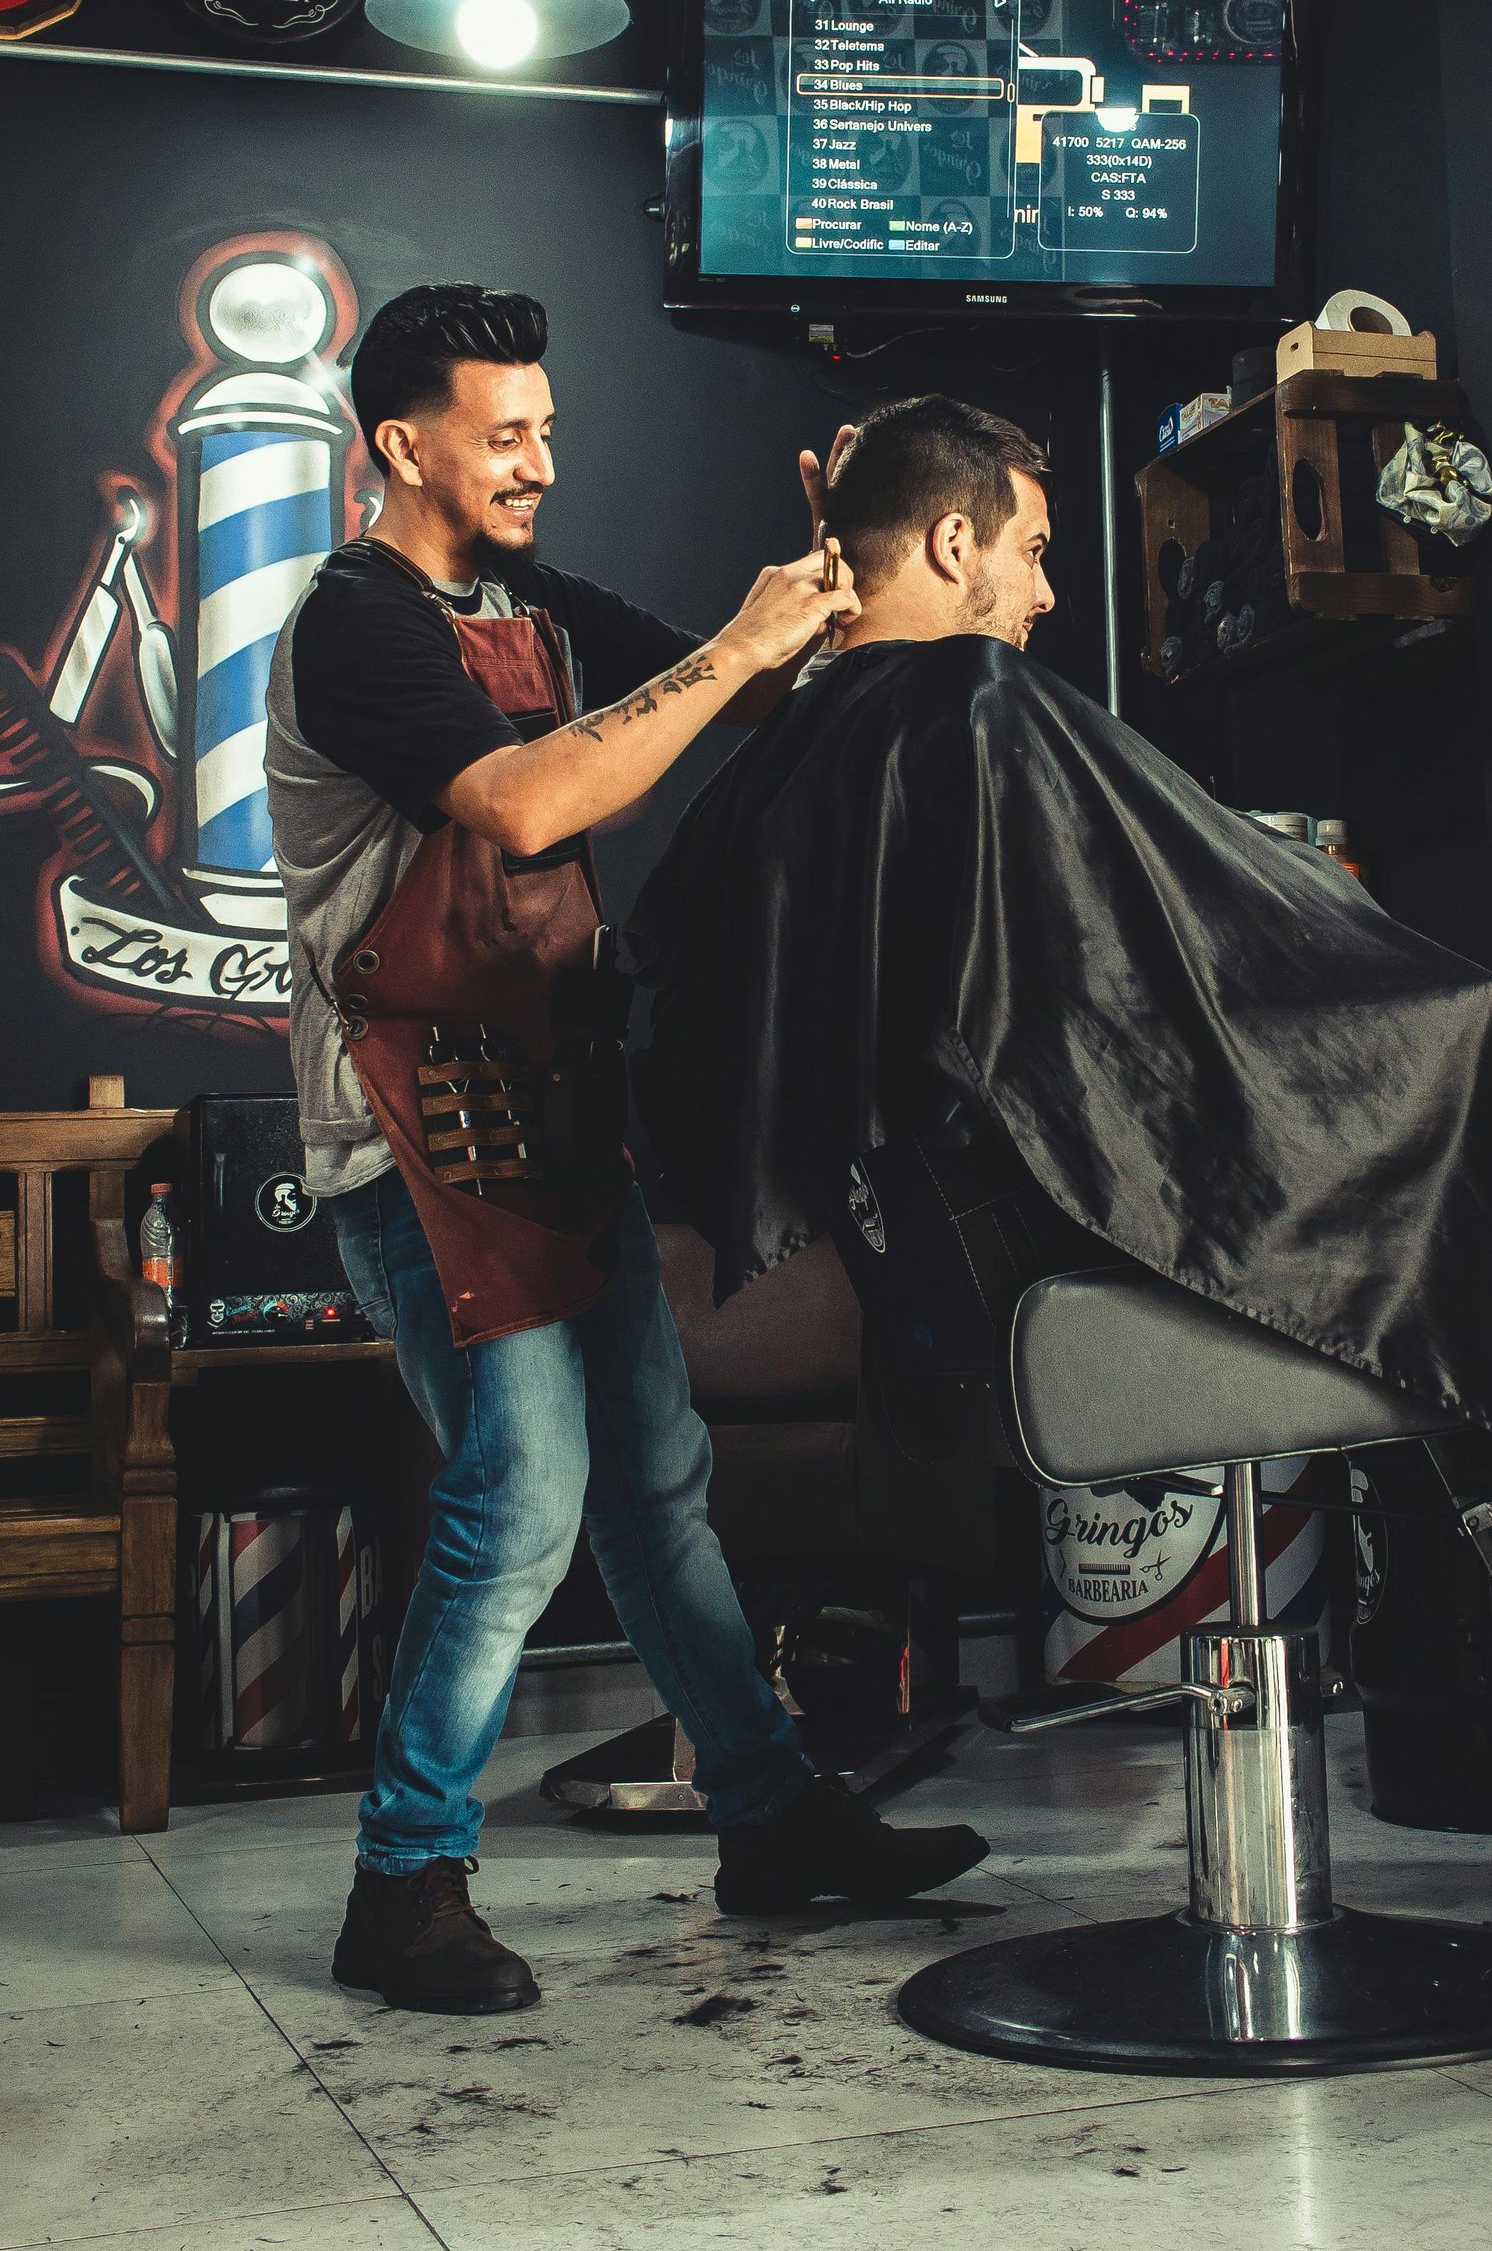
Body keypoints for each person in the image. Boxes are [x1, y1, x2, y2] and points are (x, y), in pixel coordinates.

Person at [631, 394, 1492, 1643]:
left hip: (958, 1280)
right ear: (954, 545)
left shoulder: (776, 760)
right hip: (1093, 1248)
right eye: (1033, 551)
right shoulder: (971, 702)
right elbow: (1207, 1001)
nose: (1048, 594)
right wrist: (1423, 998)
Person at [263, 290, 987, 2018]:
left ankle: (773, 1813)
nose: (541, 458)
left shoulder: (525, 598)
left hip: (558, 1102)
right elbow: (518, 803)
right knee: (523, 1498)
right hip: (410, 1125)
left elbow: (731, 690)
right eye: (506, 430)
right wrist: (737, 652)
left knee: (658, 1479)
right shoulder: (354, 626)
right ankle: (404, 1879)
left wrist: (823, 578)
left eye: (547, 422)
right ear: (404, 443)